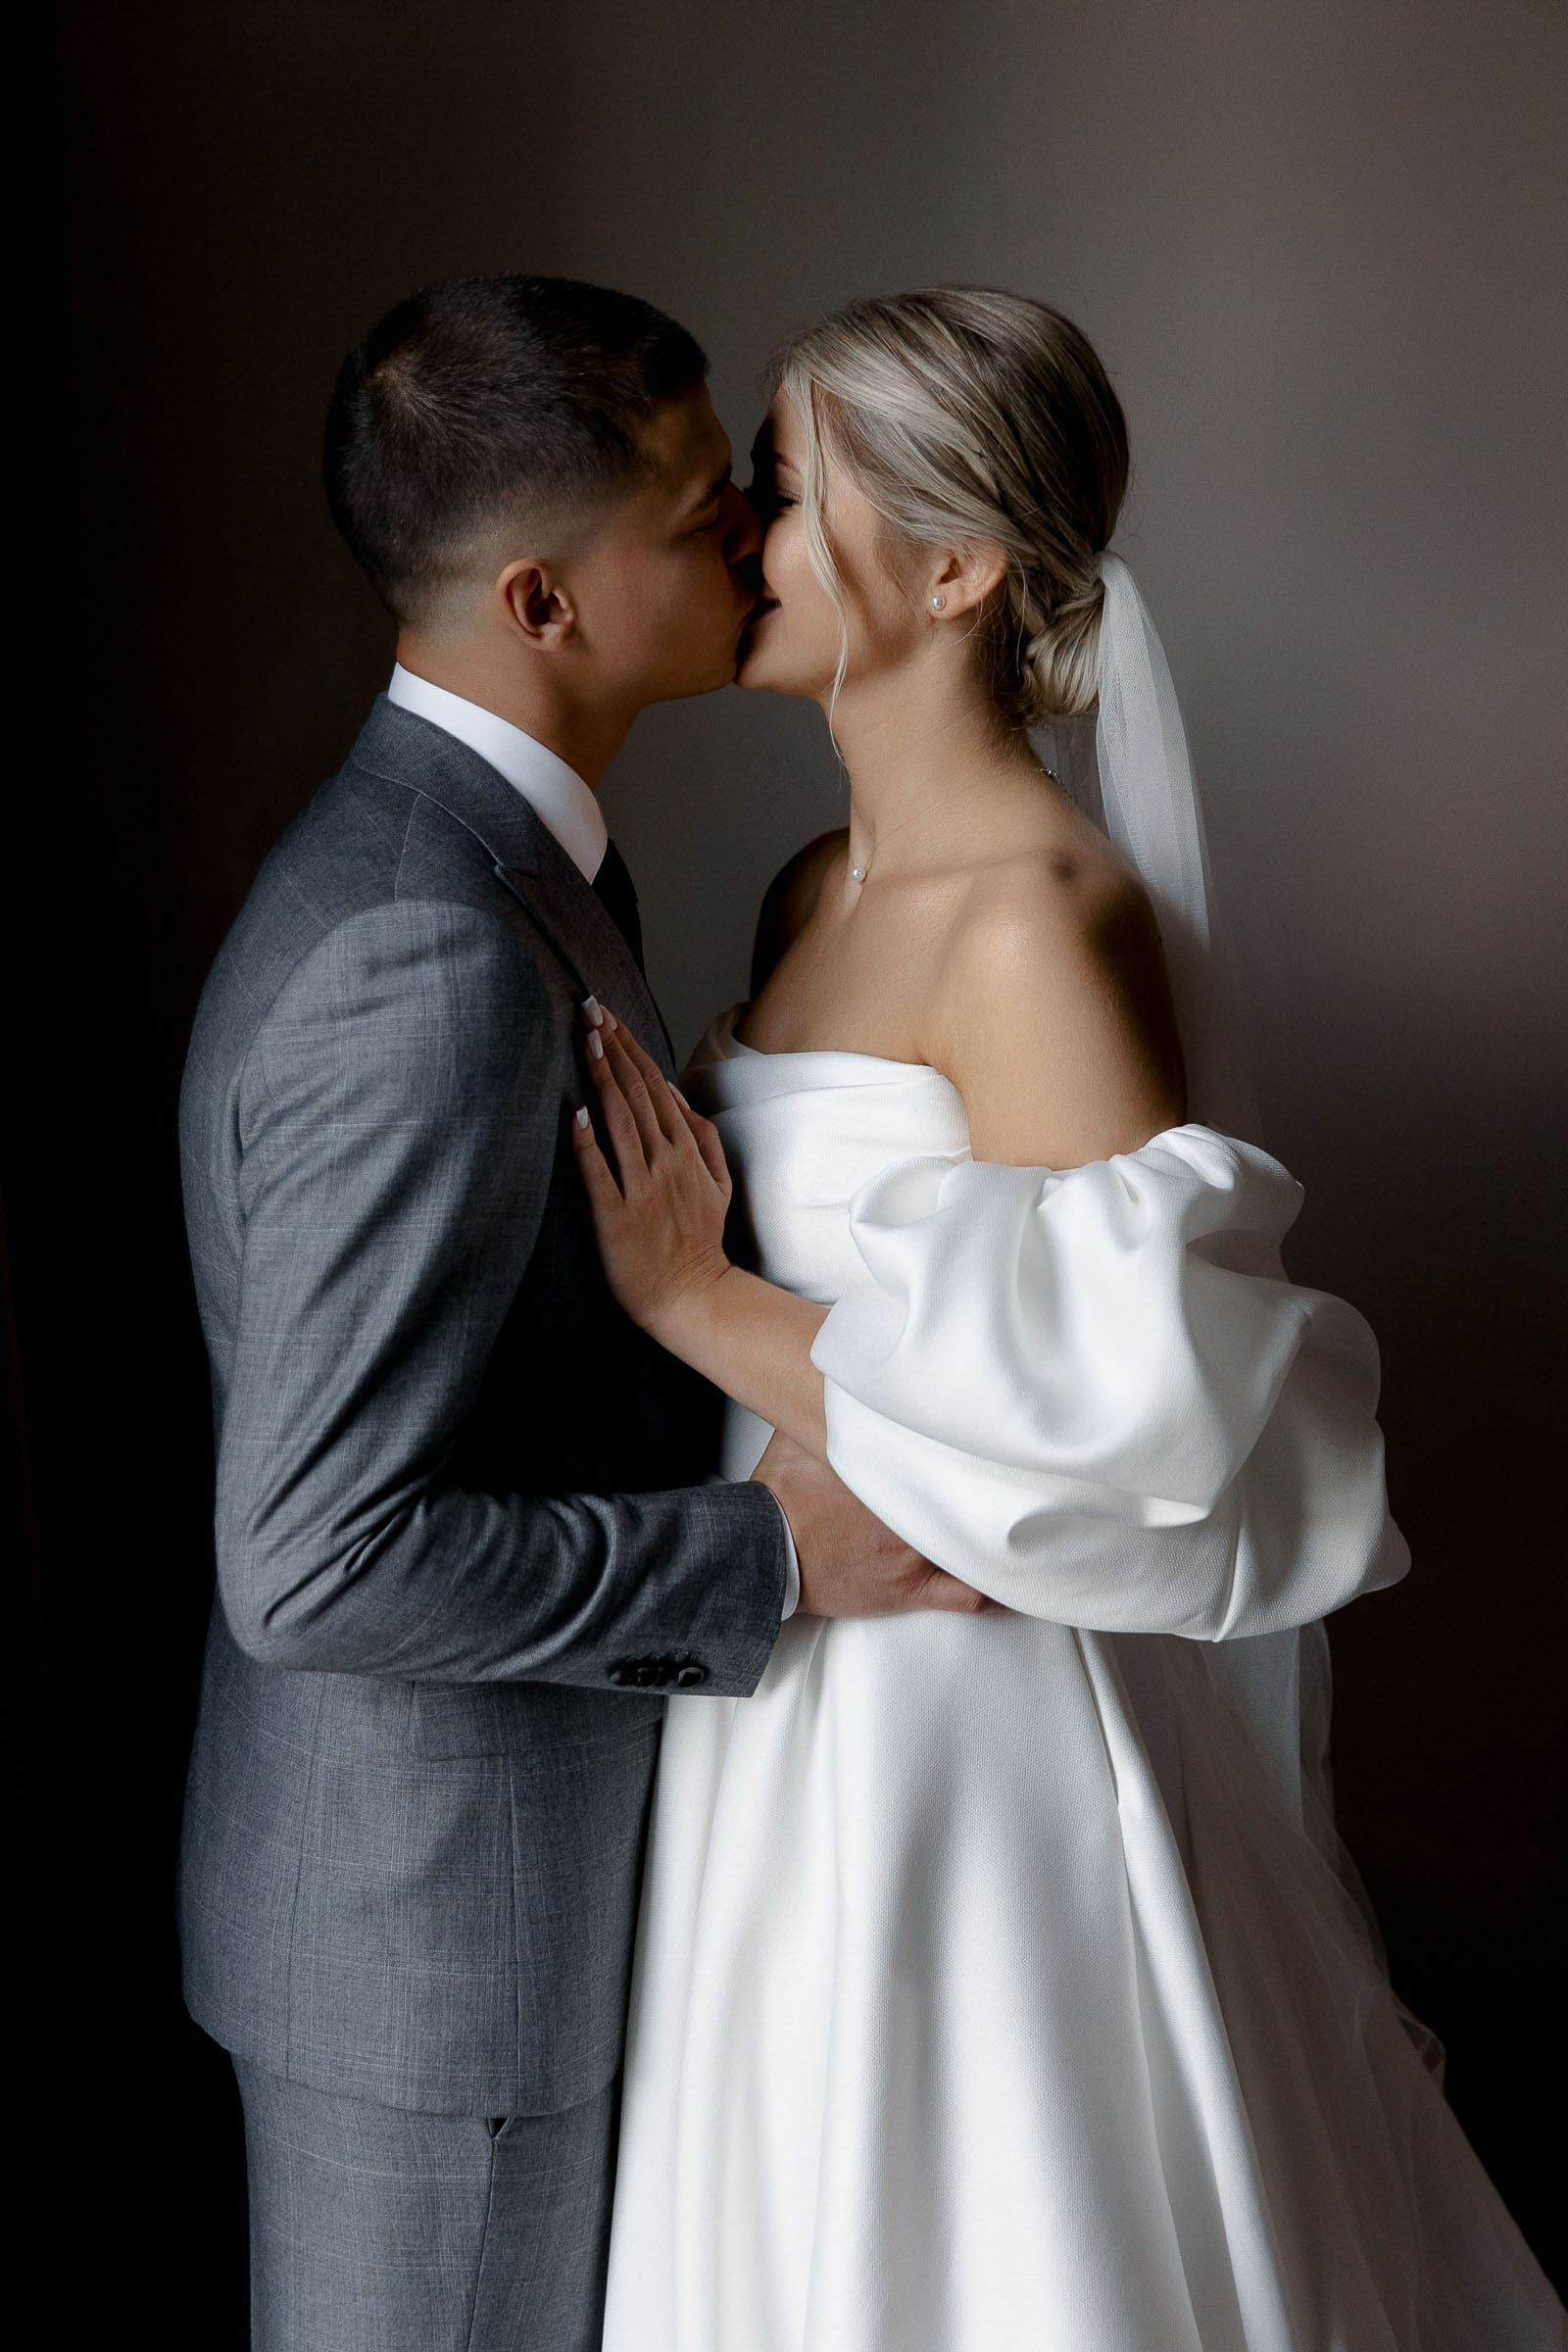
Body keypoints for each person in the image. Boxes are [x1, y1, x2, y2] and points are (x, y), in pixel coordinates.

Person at [575, 286, 1568, 2350]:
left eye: (782, 486)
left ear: (952, 569)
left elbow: (1097, 1441)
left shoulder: (1036, 926)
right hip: (775, 1692)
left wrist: (696, 1302)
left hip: (953, 1736)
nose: (735, 527)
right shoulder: (810, 894)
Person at [173, 272, 992, 2352]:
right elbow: (313, 1561)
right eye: (705, 503)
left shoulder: (502, 865)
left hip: (485, 1898)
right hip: (436, 1955)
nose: (760, 532)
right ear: (541, 604)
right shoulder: (428, 952)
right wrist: (764, 1557)